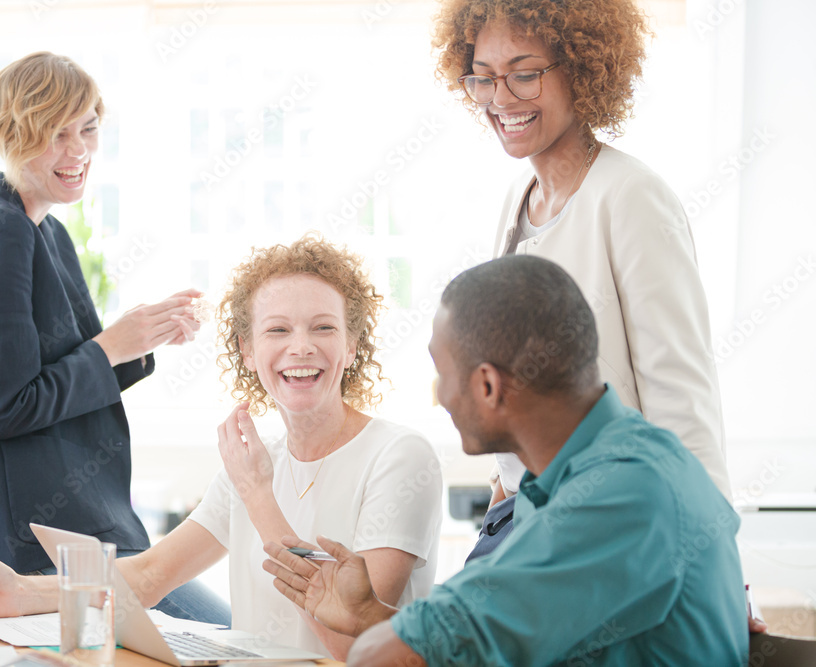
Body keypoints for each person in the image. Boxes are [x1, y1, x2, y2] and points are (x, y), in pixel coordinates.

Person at [0, 235, 443, 660]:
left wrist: (259, 496)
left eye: (324, 328)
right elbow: (148, 578)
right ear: (248, 350)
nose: (300, 346)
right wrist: (16, 591)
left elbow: (353, 644)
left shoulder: (398, 457)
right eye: (277, 329)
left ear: (352, 345)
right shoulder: (259, 460)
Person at [264, 255, 751, 666]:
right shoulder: (590, 472)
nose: (440, 398)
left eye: (442, 374)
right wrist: (367, 613)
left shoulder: (620, 494)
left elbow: (387, 656)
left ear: (488, 386)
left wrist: (378, 635)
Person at [0, 52, 228, 623]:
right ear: (12, 135)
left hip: (75, 528)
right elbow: (7, 407)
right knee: (225, 638)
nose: (79, 152)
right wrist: (115, 344)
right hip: (35, 545)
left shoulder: (46, 232)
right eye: (55, 134)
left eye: (88, 129)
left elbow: (71, 370)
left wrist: (142, 336)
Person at [433, 0, 731, 557]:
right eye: (484, 77)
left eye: (524, 74)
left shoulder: (630, 196)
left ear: (581, 68)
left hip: (607, 525)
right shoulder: (518, 200)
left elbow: (682, 398)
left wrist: (715, 566)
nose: (501, 99)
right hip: (523, 516)